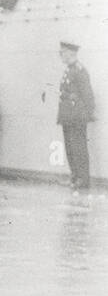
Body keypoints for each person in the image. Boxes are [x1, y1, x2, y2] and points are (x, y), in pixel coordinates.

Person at [57, 40, 94, 189]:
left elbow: (88, 95)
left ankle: (83, 180)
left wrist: (86, 114)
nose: (60, 55)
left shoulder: (80, 70)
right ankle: (74, 177)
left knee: (79, 148)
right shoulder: (68, 70)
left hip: (77, 116)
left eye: (62, 53)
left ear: (71, 53)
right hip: (67, 115)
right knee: (70, 148)